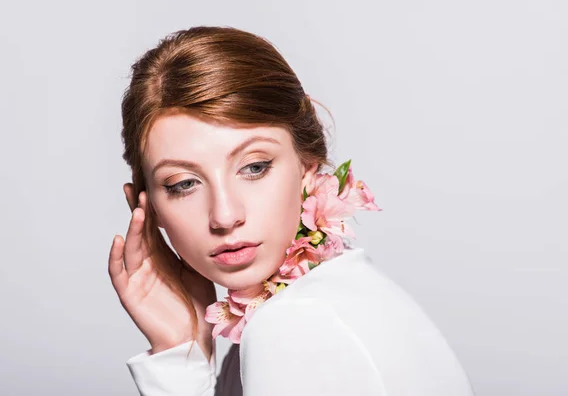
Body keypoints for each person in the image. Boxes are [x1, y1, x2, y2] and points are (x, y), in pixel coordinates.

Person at [107, 25, 475, 395]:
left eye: (255, 167)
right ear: (149, 207)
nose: (224, 216)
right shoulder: (327, 298)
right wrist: (180, 347)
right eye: (184, 184)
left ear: (307, 163)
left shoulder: (294, 324)